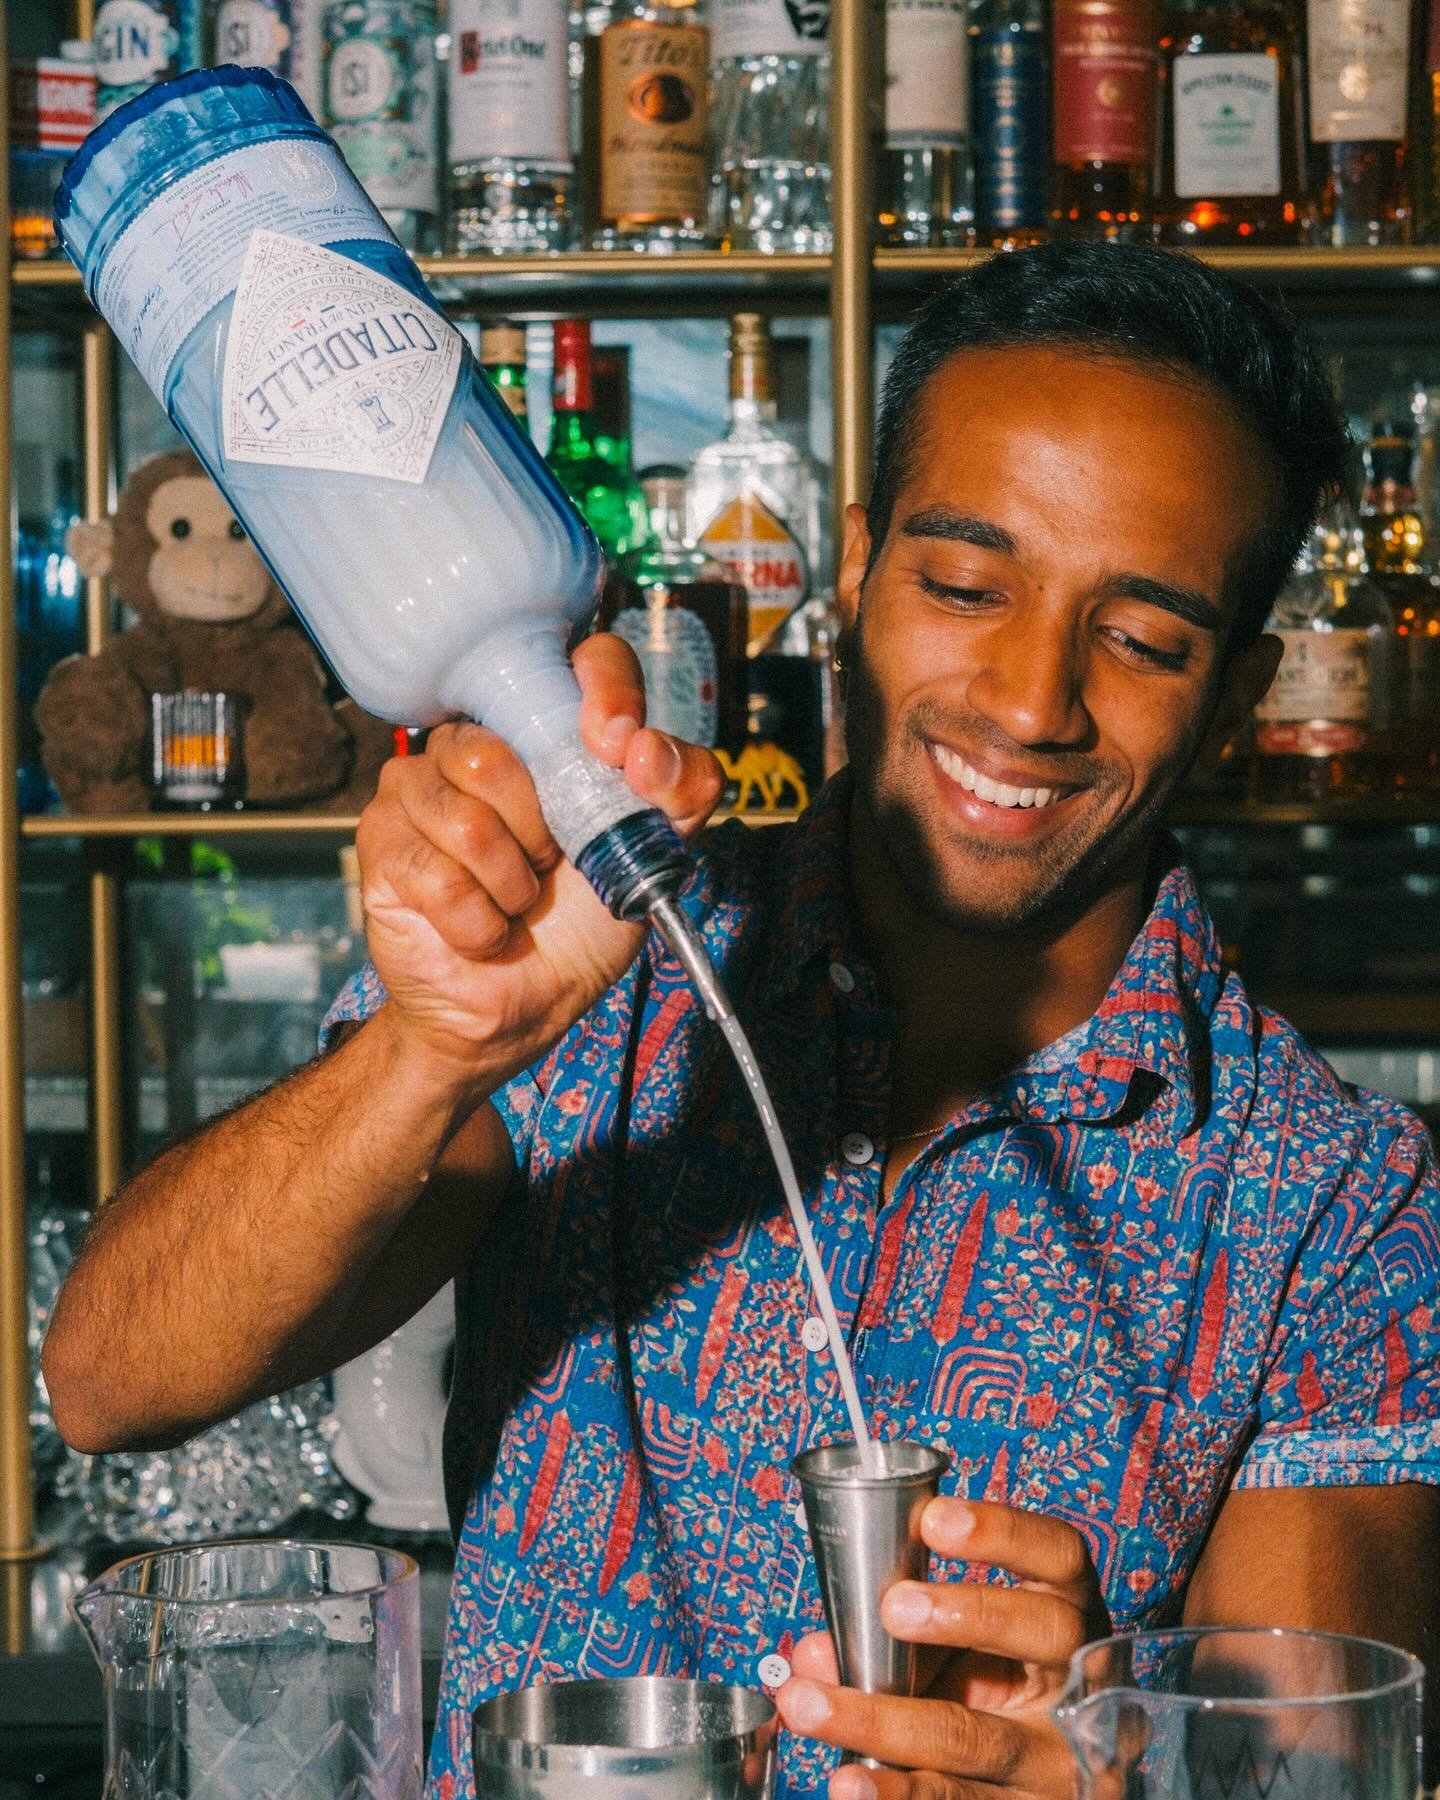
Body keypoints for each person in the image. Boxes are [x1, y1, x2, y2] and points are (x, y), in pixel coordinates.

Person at [44, 242, 1440, 1800]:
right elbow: (115, 1380)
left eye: (1143, 639)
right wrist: (433, 1048)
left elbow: (1320, 1769)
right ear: (853, 570)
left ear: (1240, 692)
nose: (1034, 698)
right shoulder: (613, 961)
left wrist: (1117, 1769)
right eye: (966, 586)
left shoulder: (1332, 1198)